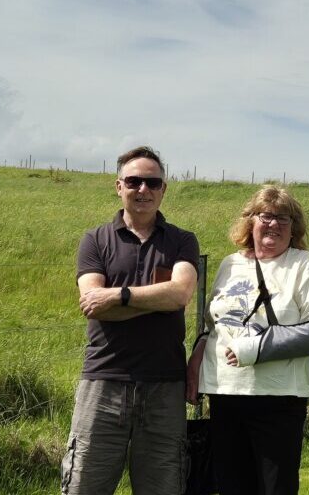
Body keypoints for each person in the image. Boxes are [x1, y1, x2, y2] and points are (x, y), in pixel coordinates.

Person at [188, 186, 309, 495]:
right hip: (225, 393)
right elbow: (213, 324)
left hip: (279, 397)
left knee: (276, 488)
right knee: (233, 486)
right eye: (265, 216)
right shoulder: (230, 264)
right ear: (250, 222)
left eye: (282, 218)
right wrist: (196, 359)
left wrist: (256, 348)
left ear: (294, 227)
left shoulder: (302, 263)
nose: (273, 224)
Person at [62, 145, 200, 495]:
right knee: (84, 486)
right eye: (135, 181)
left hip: (164, 386)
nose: (144, 190)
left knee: (163, 488)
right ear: (118, 186)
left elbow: (181, 294)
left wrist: (118, 295)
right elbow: (94, 305)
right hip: (104, 381)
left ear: (163, 190)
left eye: (152, 182)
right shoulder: (95, 240)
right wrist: (159, 298)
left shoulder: (182, 241)